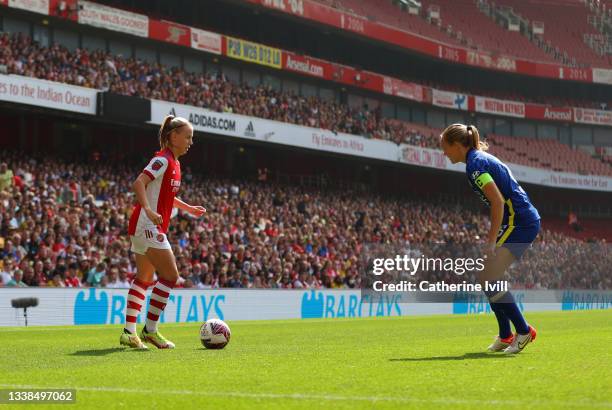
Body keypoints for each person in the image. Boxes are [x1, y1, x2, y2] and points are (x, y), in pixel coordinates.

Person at [440, 124, 540, 354]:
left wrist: (490, 242)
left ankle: (523, 332)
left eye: (445, 148)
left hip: (520, 222)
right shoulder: (476, 160)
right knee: (487, 277)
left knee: (487, 275)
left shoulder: (475, 164)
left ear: (457, 145)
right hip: (520, 221)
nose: (444, 153)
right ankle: (506, 335)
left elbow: (497, 202)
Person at [120, 115, 206, 350]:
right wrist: (148, 210)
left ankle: (129, 332)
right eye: (187, 136)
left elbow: (166, 195)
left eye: (192, 137)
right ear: (173, 136)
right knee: (169, 276)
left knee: (144, 279)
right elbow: (139, 182)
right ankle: (150, 330)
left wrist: (187, 208)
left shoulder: (175, 163)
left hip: (144, 225)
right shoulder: (163, 160)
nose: (190, 141)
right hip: (147, 225)